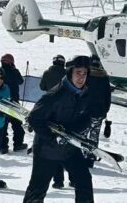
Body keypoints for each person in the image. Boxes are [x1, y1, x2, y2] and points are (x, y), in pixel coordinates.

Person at [24, 55, 95, 203]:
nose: (81, 77)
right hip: (46, 149)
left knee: (84, 180)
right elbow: (34, 118)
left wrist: (74, 132)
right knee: (38, 188)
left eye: (84, 73)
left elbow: (86, 117)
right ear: (70, 73)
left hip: (69, 148)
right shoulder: (55, 95)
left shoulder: (84, 94)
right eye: (78, 73)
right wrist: (52, 137)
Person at [39, 54, 70, 189]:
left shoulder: (47, 72)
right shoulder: (67, 74)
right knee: (69, 146)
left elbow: (42, 87)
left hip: (49, 112)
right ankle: (74, 178)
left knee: (54, 145)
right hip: (65, 112)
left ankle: (58, 180)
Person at [0, 53, 27, 153]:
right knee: (17, 124)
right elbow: (20, 81)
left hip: (1, 102)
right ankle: (18, 144)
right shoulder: (14, 72)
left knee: (3, 125)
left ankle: (3, 146)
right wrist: (14, 69)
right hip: (13, 102)